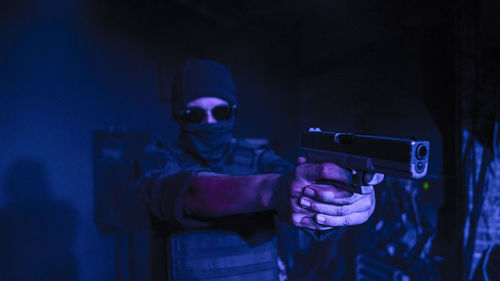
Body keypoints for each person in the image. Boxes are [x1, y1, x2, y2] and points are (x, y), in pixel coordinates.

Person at [137, 59, 379, 281]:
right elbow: (186, 193)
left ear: (233, 111)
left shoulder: (257, 158)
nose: (209, 123)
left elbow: (301, 187)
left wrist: (336, 196)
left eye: (220, 112)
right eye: (195, 114)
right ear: (178, 115)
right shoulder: (158, 159)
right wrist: (273, 190)